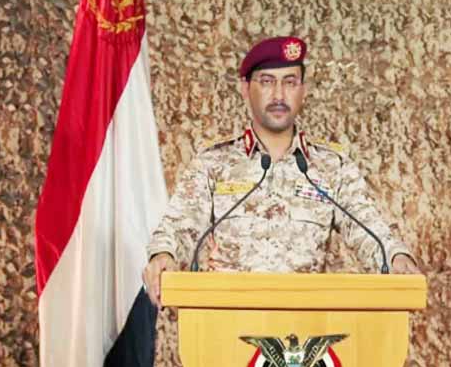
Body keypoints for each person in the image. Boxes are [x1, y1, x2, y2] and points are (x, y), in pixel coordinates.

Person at [143, 36, 419, 308]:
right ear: (245, 88)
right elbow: (181, 224)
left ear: (303, 90)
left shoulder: (331, 166)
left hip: (306, 325)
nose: (278, 95)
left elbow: (367, 227)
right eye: (266, 82)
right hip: (228, 320)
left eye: (289, 82)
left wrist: (395, 257)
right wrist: (164, 254)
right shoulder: (214, 162)